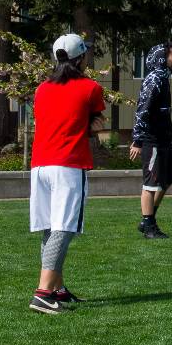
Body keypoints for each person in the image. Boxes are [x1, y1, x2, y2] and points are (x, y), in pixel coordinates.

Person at [28, 33, 105, 314]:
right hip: (68, 163)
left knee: (49, 227)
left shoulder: (41, 89)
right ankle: (43, 293)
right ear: (81, 58)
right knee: (64, 227)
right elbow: (95, 123)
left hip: (39, 165)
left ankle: (57, 290)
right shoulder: (90, 87)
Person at [130, 43, 172, 238]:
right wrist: (138, 141)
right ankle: (149, 227)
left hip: (163, 139)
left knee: (165, 181)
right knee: (150, 184)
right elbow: (143, 109)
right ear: (163, 58)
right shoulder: (155, 79)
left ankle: (147, 219)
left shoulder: (163, 78)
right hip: (152, 140)